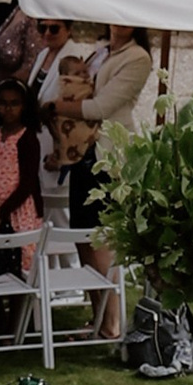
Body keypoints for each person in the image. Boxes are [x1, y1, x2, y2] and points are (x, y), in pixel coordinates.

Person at [79, 27, 156, 334]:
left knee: (102, 238)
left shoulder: (138, 57)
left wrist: (56, 107)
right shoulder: (100, 50)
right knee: (82, 237)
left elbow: (100, 107)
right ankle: (97, 315)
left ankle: (111, 320)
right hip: (83, 149)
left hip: (109, 152)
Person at [0, 64, 44, 267]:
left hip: (20, 211)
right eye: (3, 103)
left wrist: (1, 214)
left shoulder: (27, 138)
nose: (8, 109)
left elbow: (28, 183)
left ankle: (19, 299)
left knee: (19, 261)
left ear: (24, 106)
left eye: (15, 104)